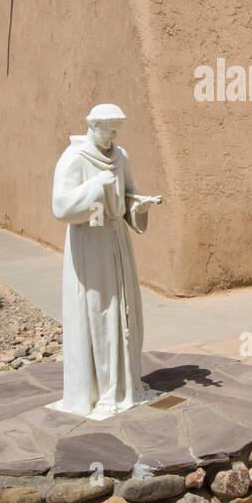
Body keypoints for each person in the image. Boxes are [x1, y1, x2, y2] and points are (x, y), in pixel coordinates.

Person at [51, 103, 162, 418]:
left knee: (125, 310)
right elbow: (60, 207)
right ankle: (100, 391)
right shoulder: (74, 158)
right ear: (93, 125)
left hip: (116, 239)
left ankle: (125, 385)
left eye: (117, 129)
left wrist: (139, 204)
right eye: (110, 129)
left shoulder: (121, 156)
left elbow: (128, 194)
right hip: (90, 243)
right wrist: (93, 188)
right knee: (97, 310)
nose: (114, 136)